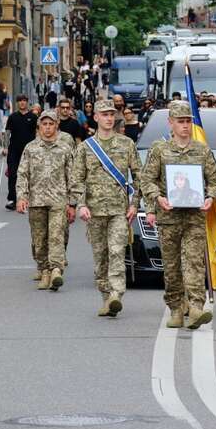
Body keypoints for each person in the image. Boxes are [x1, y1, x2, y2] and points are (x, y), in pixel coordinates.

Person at [140, 101, 216, 329]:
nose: (185, 126)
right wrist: (158, 198)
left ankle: (196, 308)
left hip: (195, 217)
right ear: (171, 123)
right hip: (169, 218)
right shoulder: (160, 149)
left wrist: (210, 197)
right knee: (172, 266)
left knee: (194, 263)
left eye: (188, 121)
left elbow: (214, 180)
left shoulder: (202, 150)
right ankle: (176, 308)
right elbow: (147, 179)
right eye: (180, 121)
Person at [73, 99, 142, 317]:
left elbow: (139, 176)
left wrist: (135, 204)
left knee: (116, 251)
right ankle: (106, 297)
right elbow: (77, 180)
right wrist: (81, 205)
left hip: (119, 210)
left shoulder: (126, 144)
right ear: (96, 117)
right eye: (104, 114)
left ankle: (116, 294)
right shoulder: (85, 148)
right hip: (94, 211)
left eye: (112, 114)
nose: (109, 118)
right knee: (100, 257)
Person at [15, 110, 78, 291]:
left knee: (56, 236)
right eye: (44, 124)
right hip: (36, 201)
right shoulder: (31, 148)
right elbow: (22, 174)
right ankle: (44, 271)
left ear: (57, 125)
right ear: (39, 126)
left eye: (51, 124)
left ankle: (56, 269)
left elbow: (72, 177)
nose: (48, 128)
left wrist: (72, 203)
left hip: (59, 201)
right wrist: (21, 197)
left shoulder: (65, 149)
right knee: (39, 240)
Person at [4, 94, 38, 211]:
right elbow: (7, 132)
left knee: (29, 174)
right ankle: (13, 199)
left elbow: (38, 132)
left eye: (24, 100)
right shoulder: (13, 117)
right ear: (17, 103)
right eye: (20, 101)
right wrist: (5, 147)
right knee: (13, 174)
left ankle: (28, 198)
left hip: (29, 150)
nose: (22, 103)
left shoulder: (33, 117)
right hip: (14, 149)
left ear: (27, 102)